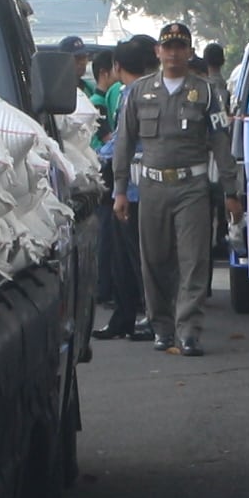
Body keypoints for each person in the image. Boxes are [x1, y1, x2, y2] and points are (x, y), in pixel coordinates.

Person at [114, 21, 231, 355]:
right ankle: (161, 327)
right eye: (168, 47)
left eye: (180, 47)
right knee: (154, 259)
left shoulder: (206, 92)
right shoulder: (139, 92)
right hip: (151, 186)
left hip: (192, 186)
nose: (173, 53)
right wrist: (119, 190)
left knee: (194, 259)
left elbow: (220, 142)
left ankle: (189, 330)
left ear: (190, 52)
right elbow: (124, 142)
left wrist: (230, 191)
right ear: (158, 52)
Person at [94, 38, 150, 340]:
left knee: (136, 258)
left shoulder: (133, 95)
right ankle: (125, 316)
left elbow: (122, 142)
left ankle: (149, 316)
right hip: (129, 186)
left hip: (132, 187)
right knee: (122, 258)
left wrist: (98, 157)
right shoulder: (142, 92)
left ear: (116, 66)